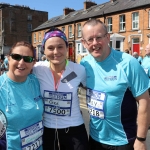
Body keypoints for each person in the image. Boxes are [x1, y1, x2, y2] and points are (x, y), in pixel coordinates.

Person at [80, 19, 150, 150]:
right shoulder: (84, 64)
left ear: (108, 37)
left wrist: (141, 139)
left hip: (123, 141)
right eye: (90, 39)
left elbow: (144, 101)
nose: (95, 43)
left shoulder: (128, 63)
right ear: (84, 43)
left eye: (99, 37)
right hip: (95, 139)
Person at [33, 27, 88, 150]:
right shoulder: (37, 69)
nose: (56, 52)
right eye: (50, 48)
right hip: (48, 130)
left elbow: (92, 89)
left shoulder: (79, 70)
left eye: (60, 47)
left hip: (75, 130)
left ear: (67, 48)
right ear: (44, 50)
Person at [0, 41, 44, 150]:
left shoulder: (36, 81)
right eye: (16, 57)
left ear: (33, 62)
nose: (21, 63)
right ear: (8, 58)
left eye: (28, 59)